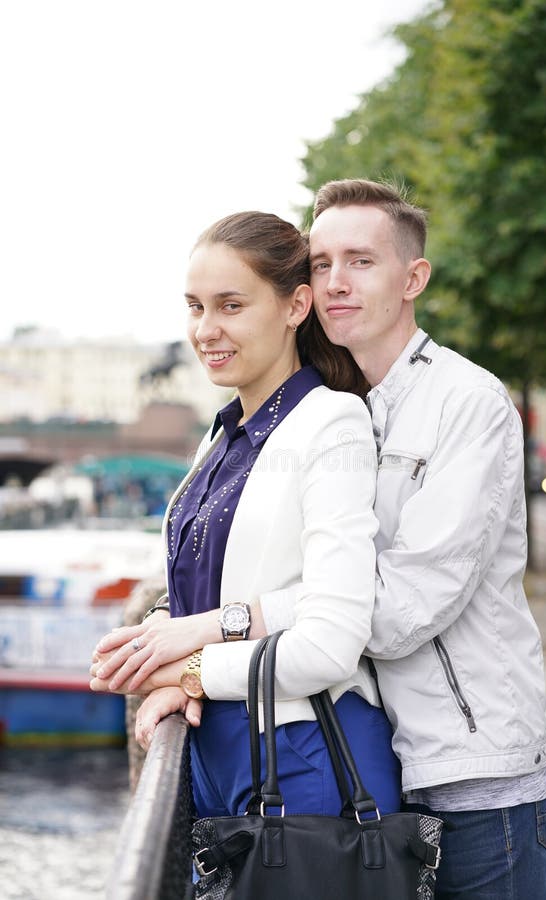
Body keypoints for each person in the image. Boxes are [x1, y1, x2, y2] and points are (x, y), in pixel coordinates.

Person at [90, 210, 402, 832]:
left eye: (231, 305)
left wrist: (194, 670)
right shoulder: (222, 431)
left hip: (303, 759)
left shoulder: (332, 424)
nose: (206, 329)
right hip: (225, 756)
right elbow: (203, 584)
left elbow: (332, 641)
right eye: (195, 306)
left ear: (295, 307)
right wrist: (161, 635)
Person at [287, 178, 546, 900]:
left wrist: (255, 626)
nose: (335, 281)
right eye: (320, 263)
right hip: (380, 765)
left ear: (414, 278)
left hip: (476, 772)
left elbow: (407, 608)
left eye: (360, 261)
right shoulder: (334, 409)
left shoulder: (467, 401)